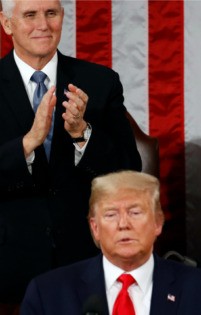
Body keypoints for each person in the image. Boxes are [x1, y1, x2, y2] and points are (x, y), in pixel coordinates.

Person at [0, 0, 142, 308]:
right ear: (7, 23)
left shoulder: (100, 82)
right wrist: (28, 143)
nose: (43, 24)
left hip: (85, 255)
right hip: (8, 262)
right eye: (30, 15)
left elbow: (130, 171)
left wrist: (83, 134)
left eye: (51, 13)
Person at [20, 171, 201, 315]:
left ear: (158, 222)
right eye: (111, 214)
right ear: (95, 228)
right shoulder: (48, 294)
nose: (123, 224)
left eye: (135, 212)